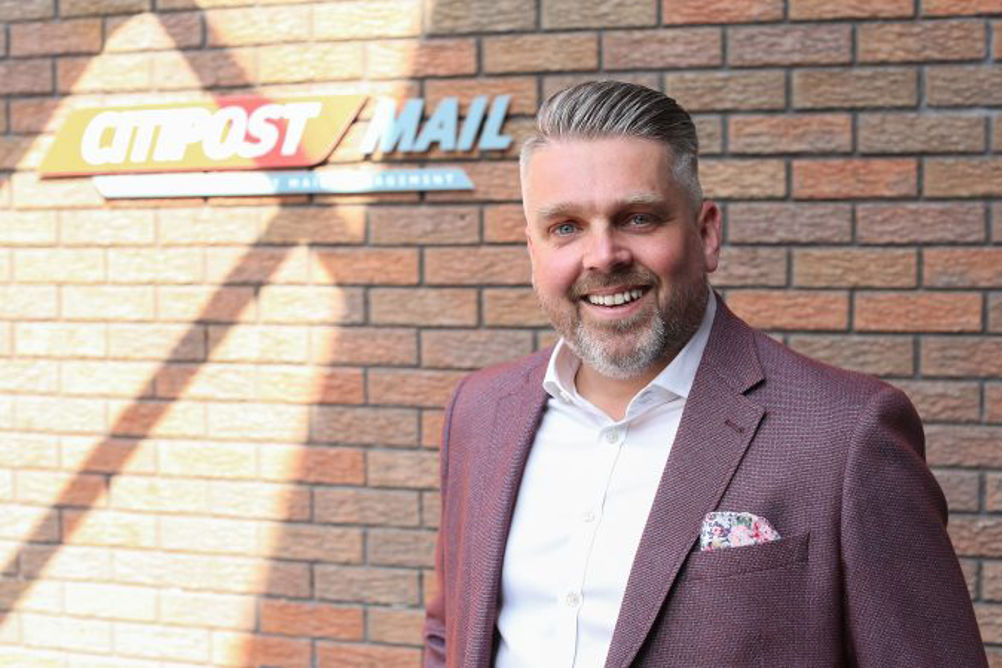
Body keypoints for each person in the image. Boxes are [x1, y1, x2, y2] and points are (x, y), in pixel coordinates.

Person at [422, 81, 987, 667]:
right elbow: (449, 634)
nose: (603, 256)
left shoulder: (845, 434)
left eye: (638, 218)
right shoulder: (479, 412)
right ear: (533, 250)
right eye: (565, 227)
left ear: (707, 232)